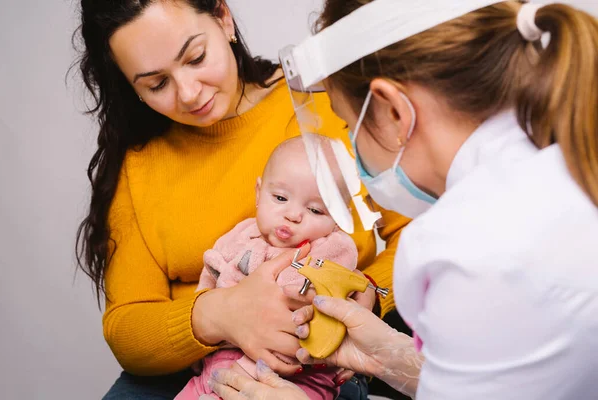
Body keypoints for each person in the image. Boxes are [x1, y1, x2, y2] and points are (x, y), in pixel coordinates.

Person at [205, 0, 598, 399]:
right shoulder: (566, 164)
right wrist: (391, 359)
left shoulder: (462, 247)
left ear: (393, 110)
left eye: (346, 124)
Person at [73, 0, 409, 398]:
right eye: (156, 84)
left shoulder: (321, 103)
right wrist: (221, 313)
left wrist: (369, 292)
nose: (188, 92)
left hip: (319, 360)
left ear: (222, 17)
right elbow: (127, 327)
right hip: (186, 370)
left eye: (196, 57)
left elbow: (418, 233)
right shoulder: (138, 163)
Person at [176, 137, 359, 400]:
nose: (293, 214)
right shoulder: (240, 235)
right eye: (281, 197)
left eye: (316, 210)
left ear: (340, 218)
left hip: (295, 376)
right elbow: (208, 281)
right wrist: (199, 350)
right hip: (217, 365)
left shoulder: (331, 250)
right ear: (258, 194)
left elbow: (319, 313)